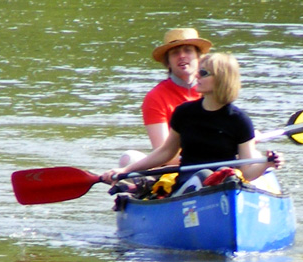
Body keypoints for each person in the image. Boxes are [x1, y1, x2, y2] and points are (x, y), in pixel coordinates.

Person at [102, 52, 281, 189]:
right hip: (189, 181)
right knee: (204, 175)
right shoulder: (184, 113)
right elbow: (165, 152)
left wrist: (267, 163)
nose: (197, 76)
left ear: (221, 79)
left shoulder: (240, 121)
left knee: (225, 176)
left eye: (203, 73)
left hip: (225, 182)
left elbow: (247, 172)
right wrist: (126, 171)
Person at [119, 28, 212, 167]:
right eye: (175, 53)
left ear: (199, 57)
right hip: (174, 166)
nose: (182, 56)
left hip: (214, 160)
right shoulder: (155, 97)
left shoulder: (212, 89)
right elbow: (163, 153)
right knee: (129, 158)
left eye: (188, 50)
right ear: (168, 62)